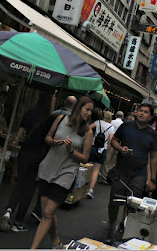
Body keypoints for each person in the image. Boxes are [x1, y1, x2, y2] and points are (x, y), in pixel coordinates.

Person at [31, 96, 94, 249]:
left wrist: (71, 150)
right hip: (48, 167)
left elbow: (85, 158)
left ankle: (33, 248)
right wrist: (53, 142)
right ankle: (56, 242)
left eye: (91, 110)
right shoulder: (61, 118)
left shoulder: (88, 131)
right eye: (87, 109)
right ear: (79, 108)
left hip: (67, 172)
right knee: (47, 214)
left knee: (48, 211)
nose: (90, 113)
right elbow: (47, 137)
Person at [105, 103, 157, 244]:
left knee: (133, 203)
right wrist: (121, 149)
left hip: (139, 174)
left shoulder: (153, 134)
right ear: (136, 113)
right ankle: (111, 226)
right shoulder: (126, 126)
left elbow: (153, 157)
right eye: (140, 110)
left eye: (145, 112)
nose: (142, 113)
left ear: (150, 117)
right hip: (121, 171)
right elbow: (114, 141)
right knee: (114, 201)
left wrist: (152, 179)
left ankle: (126, 226)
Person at [1, 91, 53, 232]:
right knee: (30, 187)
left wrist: (16, 140)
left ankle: (9, 210)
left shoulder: (29, 113)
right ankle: (18, 221)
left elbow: (19, 135)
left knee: (20, 183)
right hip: (38, 155)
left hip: (24, 152)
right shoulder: (49, 119)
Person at [87, 109, 114, 199]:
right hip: (103, 149)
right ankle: (90, 190)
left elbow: (88, 128)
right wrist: (108, 150)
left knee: (88, 166)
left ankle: (84, 186)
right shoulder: (111, 127)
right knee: (96, 170)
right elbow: (110, 140)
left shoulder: (97, 122)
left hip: (94, 146)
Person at [100, 111, 125, 182]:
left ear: (116, 115)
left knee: (107, 159)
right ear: (122, 117)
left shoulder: (112, 122)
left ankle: (104, 177)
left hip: (110, 141)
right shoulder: (123, 124)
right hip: (118, 143)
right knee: (113, 161)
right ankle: (110, 176)